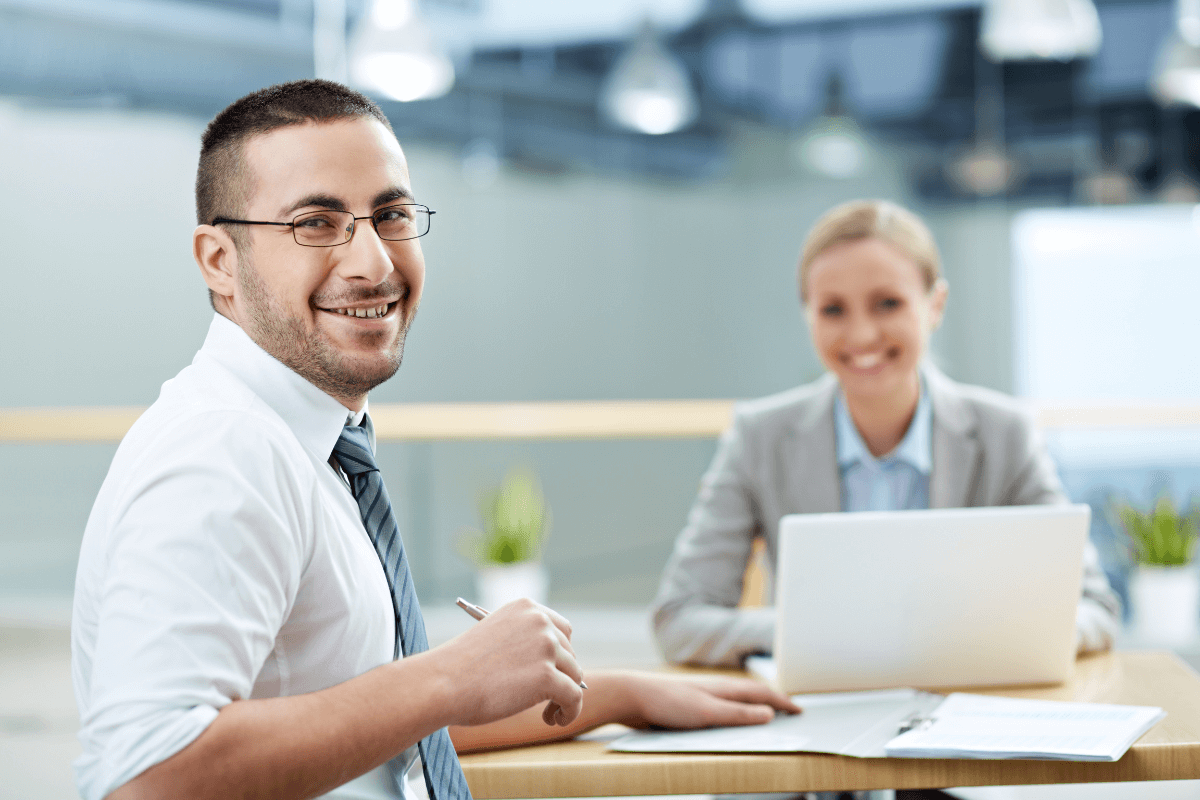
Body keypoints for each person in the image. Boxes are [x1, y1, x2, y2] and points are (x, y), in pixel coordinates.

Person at [70, 80, 799, 800]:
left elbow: (363, 721)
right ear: (219, 262)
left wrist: (620, 695)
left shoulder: (311, 444)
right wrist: (450, 674)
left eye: (390, 214)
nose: (375, 263)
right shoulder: (223, 452)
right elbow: (147, 777)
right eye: (317, 222)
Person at [651, 199, 1121, 668]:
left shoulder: (1005, 435)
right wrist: (810, 633)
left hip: (962, 709)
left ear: (935, 305)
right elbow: (678, 619)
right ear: (807, 316)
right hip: (815, 721)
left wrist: (968, 637)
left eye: (888, 304)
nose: (861, 334)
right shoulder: (759, 438)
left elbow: (1094, 608)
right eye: (833, 309)